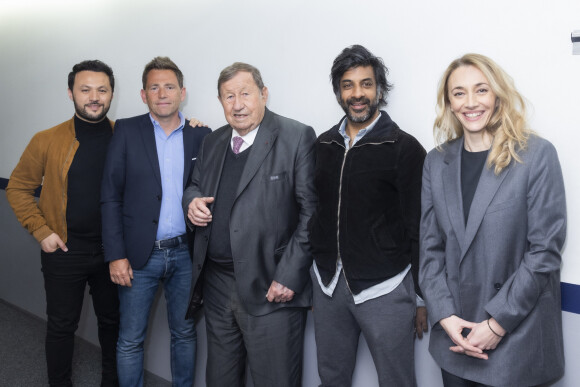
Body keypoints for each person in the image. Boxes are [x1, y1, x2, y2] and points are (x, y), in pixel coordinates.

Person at [419, 53, 566, 387]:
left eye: (481, 90)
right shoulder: (435, 162)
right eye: (459, 93)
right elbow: (430, 251)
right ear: (449, 103)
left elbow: (544, 252)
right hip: (455, 337)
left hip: (517, 338)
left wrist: (497, 323)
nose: (471, 102)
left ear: (497, 96)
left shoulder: (536, 155)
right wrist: (444, 316)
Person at [183, 62, 316, 387]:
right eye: (229, 96)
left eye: (245, 93)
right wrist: (192, 202)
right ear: (220, 101)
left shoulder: (296, 136)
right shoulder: (213, 141)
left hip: (271, 287)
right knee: (220, 378)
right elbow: (194, 185)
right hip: (217, 286)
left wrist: (288, 276)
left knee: (275, 380)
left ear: (263, 94)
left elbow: (312, 214)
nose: (237, 104)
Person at [308, 44, 427, 387]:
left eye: (366, 84)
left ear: (379, 90)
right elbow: (314, 212)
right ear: (338, 91)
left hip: (385, 288)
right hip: (328, 286)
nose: (357, 94)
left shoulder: (403, 148)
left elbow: (419, 228)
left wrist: (420, 298)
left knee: (397, 380)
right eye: (348, 85)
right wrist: (317, 277)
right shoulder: (323, 145)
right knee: (331, 377)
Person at [6, 60, 120, 386]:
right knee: (61, 326)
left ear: (112, 93)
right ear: (71, 93)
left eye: (102, 89)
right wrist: (42, 232)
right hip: (64, 251)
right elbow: (17, 187)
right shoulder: (46, 139)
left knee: (113, 323)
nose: (94, 97)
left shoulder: (125, 136)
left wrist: (192, 124)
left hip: (112, 251)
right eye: (85, 90)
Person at [101, 56, 210, 387]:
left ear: (182, 92)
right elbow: (110, 196)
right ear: (143, 94)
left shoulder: (201, 135)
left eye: (169, 86)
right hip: (138, 256)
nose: (162, 93)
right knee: (131, 339)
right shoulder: (125, 130)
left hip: (185, 254)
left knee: (185, 333)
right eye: (154, 87)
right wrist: (115, 255)